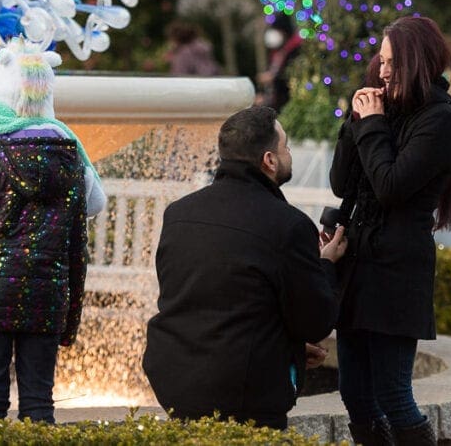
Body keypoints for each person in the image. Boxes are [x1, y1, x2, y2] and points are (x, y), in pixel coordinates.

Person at [142, 105, 348, 429]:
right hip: (244, 397)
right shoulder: (288, 226)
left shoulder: (179, 213)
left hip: (174, 381)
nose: (289, 154)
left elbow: (209, 302)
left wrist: (288, 350)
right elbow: (315, 321)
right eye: (286, 146)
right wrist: (326, 265)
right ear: (269, 160)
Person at [0, 38, 107, 423]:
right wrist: (70, 305)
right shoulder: (69, 160)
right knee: (38, 405)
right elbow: (83, 231)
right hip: (46, 297)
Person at [325, 16, 451, 446]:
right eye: (381, 60)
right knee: (354, 394)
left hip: (396, 270)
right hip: (357, 264)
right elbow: (341, 183)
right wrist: (353, 124)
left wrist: (371, 125)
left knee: (392, 394)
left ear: (417, 63)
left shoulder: (438, 119)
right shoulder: (383, 108)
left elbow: (389, 186)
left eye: (392, 62)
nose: (382, 71)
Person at [256, 13, 303, 112]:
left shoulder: (296, 49)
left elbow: (291, 74)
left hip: (288, 101)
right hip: (275, 101)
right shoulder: (277, 51)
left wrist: (273, 78)